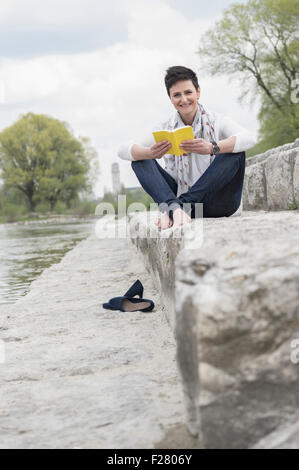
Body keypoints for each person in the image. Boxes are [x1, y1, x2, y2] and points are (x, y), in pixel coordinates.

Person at [118, 66, 256, 230]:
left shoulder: (217, 120)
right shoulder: (164, 127)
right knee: (140, 160)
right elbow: (122, 150)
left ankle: (175, 208)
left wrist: (212, 147)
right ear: (170, 98)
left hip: (219, 204)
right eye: (177, 95)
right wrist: (150, 152)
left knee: (234, 151)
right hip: (180, 203)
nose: (183, 99)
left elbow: (250, 138)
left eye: (188, 92)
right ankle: (175, 209)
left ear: (198, 92)